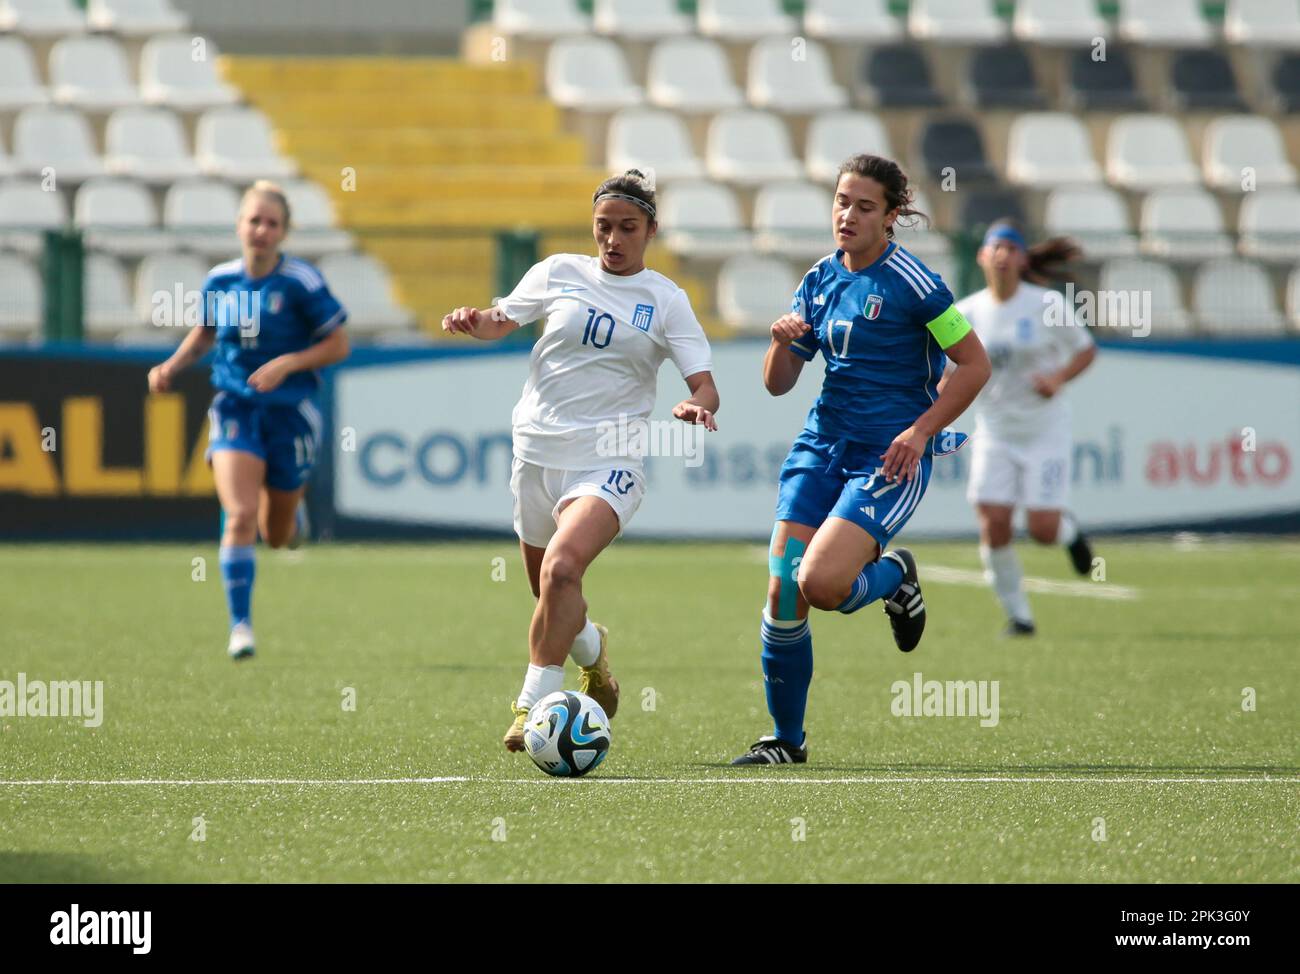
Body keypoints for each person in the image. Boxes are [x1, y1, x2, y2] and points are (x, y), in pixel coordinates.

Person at [441, 169, 719, 753]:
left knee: (563, 570)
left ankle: (531, 707)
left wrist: (696, 405)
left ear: (650, 230)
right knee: (549, 594)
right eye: (604, 227)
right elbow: (500, 322)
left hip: (609, 459)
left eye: (627, 228)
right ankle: (594, 656)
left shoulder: (666, 300)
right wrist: (474, 321)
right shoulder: (558, 272)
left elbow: (706, 387)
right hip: (537, 454)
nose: (613, 240)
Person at [732, 153, 991, 767]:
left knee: (820, 583)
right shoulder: (819, 278)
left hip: (887, 459)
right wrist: (781, 344)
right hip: (820, 447)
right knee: (782, 594)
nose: (847, 215)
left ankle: (895, 575)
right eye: (842, 202)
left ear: (893, 215)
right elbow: (777, 384)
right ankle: (786, 742)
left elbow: (975, 365)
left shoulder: (918, 285)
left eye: (864, 206)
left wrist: (921, 432)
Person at [147, 180, 350, 660]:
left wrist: (288, 362)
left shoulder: (300, 281)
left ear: (284, 232)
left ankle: (288, 513)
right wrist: (172, 367)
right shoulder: (221, 281)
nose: (261, 230)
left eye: (271, 223)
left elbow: (338, 344)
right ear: (239, 225)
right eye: (254, 220)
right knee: (238, 516)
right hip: (236, 406)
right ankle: (241, 626)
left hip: (290, 414)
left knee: (277, 536)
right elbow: (205, 334)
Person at [953, 221, 1097, 636]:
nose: (1002, 255)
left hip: (1044, 431)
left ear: (1021, 258)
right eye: (994, 247)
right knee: (993, 521)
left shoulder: (1047, 304)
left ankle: (1069, 534)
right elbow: (949, 370)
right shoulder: (966, 313)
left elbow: (1086, 351)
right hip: (995, 431)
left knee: (1042, 530)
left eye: (1010, 248)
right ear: (982, 257)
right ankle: (1020, 617)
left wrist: (1057, 380)